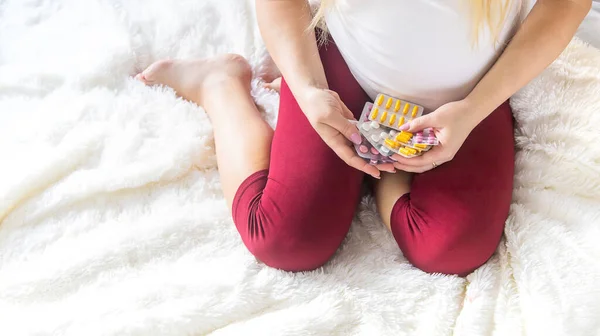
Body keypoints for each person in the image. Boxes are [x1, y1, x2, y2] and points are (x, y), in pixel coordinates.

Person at [136, 0, 592, 276]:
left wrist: (475, 110)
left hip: (470, 96)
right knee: (281, 237)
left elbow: (565, 5)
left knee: (453, 247)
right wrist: (310, 88)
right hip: (343, 69)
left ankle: (378, 172)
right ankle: (219, 84)